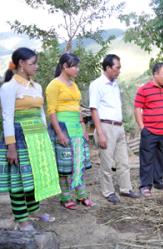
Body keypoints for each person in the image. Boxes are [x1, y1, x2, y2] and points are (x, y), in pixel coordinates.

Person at [0, 47, 60, 231]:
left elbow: (41, 113)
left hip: (38, 138)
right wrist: (11, 147)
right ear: (21, 64)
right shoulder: (9, 87)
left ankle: (33, 211)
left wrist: (46, 137)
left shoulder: (37, 86)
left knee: (35, 176)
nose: (36, 66)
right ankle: (22, 218)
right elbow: (7, 117)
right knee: (19, 178)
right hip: (20, 137)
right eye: (33, 63)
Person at [46, 53, 95, 210]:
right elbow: (51, 111)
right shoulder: (54, 85)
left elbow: (77, 107)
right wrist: (59, 133)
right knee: (65, 165)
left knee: (79, 162)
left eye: (77, 66)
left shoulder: (74, 85)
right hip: (63, 127)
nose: (77, 69)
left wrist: (83, 129)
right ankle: (65, 197)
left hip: (76, 128)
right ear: (64, 67)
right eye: (74, 66)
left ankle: (82, 195)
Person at [89, 54, 140, 205]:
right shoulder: (97, 84)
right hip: (105, 126)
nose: (119, 71)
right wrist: (100, 133)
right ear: (108, 68)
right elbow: (94, 109)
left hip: (119, 126)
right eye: (117, 68)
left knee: (123, 161)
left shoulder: (115, 84)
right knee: (106, 162)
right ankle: (108, 191)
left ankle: (125, 188)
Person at [134, 62, 163, 197]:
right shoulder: (144, 90)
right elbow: (137, 109)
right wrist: (142, 128)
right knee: (147, 159)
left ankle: (158, 181)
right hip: (149, 131)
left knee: (162, 158)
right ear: (155, 74)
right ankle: (145, 185)